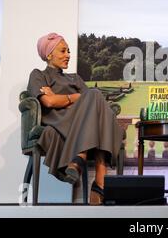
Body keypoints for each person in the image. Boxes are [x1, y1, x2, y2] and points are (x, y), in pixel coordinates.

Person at [27, 32, 124, 205]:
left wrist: (61, 99)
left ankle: (81, 160)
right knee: (94, 98)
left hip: (82, 122)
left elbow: (93, 106)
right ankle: (99, 182)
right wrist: (75, 98)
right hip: (59, 121)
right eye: (63, 51)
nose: (68, 55)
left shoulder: (75, 78)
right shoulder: (38, 75)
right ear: (49, 55)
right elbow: (48, 102)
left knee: (95, 99)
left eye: (69, 51)